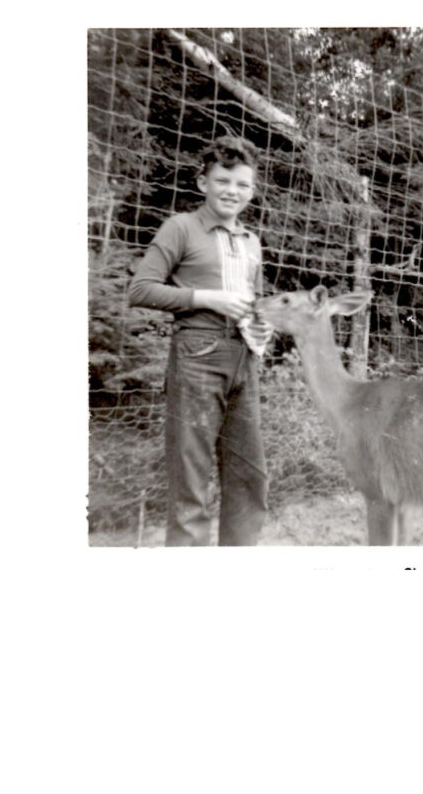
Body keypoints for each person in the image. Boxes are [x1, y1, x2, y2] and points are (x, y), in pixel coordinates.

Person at [128, 137, 273, 546]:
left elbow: (255, 300)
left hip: (244, 361)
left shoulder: (251, 240)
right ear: (201, 183)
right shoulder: (181, 228)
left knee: (249, 475)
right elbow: (140, 290)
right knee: (191, 478)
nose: (233, 191)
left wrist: (262, 325)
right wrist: (205, 298)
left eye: (243, 184)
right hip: (197, 355)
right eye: (223, 180)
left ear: (253, 190)